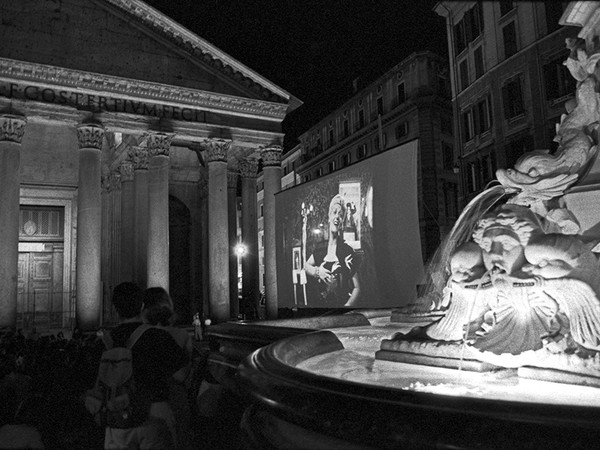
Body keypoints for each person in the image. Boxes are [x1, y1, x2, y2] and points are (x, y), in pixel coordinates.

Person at [103, 282, 188, 449]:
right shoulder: (157, 336)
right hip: (154, 412)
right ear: (142, 306)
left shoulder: (105, 341)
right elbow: (181, 375)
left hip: (118, 416)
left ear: (114, 308)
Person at [142, 287, 194, 450]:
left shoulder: (140, 334)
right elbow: (182, 374)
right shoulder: (182, 335)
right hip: (174, 397)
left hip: (145, 399)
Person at [304, 194, 361, 306]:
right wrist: (317, 272)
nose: (337, 217)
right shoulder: (320, 248)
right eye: (334, 212)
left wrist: (346, 307)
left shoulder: (347, 251)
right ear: (329, 217)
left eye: (340, 215)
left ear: (342, 221)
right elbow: (306, 267)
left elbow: (357, 288)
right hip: (321, 310)